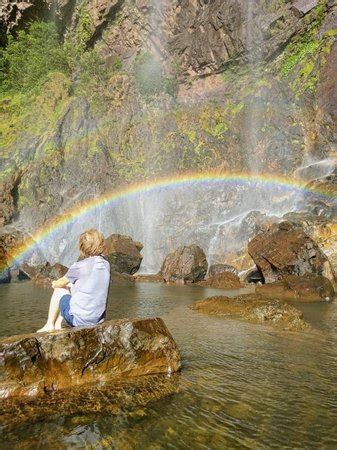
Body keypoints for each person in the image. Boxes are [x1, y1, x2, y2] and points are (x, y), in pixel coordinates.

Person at [37, 229, 110, 332]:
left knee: (60, 289)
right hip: (98, 320)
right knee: (72, 286)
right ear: (101, 245)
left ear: (81, 247)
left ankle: (50, 324)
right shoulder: (106, 264)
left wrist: (53, 283)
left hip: (79, 321)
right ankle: (58, 324)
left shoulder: (79, 267)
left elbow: (59, 283)